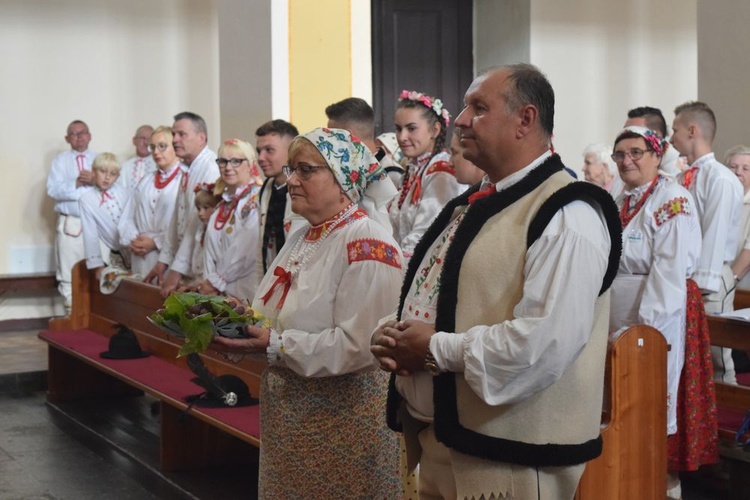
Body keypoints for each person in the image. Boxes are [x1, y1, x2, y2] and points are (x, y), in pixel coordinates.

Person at [371, 64, 621, 500]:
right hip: (445, 439)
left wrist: (432, 348)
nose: (462, 120)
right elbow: (438, 294)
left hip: (511, 458)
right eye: (466, 107)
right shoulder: (474, 202)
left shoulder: (567, 214)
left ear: (525, 119)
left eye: (479, 108)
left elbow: (542, 345)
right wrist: (393, 333)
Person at [212, 128, 403, 498]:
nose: (292, 181)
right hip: (292, 419)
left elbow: (361, 347)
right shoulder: (304, 236)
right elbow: (277, 315)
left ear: (342, 177)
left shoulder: (369, 244)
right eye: (290, 171)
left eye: (305, 170)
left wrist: (275, 346)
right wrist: (242, 321)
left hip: (343, 425)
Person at [608, 126, 716, 499]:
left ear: (656, 155)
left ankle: (661, 486)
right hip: (618, 316)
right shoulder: (617, 197)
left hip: (660, 315)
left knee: (654, 399)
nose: (627, 161)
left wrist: (644, 334)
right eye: (619, 154)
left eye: (636, 152)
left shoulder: (673, 200)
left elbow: (668, 272)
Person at [671, 100, 744, 384]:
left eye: (675, 129)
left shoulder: (721, 179)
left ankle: (725, 416)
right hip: (686, 276)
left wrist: (700, 285)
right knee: (690, 352)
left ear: (692, 130)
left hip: (709, 277)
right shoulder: (681, 177)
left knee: (715, 351)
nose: (671, 137)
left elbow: (714, 234)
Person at [146, 112, 219, 295]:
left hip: (202, 263)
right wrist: (163, 261)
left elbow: (196, 223)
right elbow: (176, 219)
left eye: (181, 134)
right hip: (187, 262)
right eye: (173, 134)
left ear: (201, 138)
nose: (175, 139)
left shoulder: (210, 168)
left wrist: (176, 271)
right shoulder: (188, 168)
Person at [389, 89, 464, 262]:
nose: (402, 137)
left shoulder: (441, 171)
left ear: (435, 130)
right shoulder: (412, 170)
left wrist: (394, 264)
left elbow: (427, 233)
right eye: (398, 129)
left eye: (411, 128)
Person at [196, 139, 263, 301]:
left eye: (236, 161)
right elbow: (210, 249)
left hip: (243, 291)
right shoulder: (223, 203)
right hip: (217, 291)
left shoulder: (257, 199)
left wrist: (216, 281)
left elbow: (246, 250)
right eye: (223, 161)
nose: (228, 167)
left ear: (250, 164)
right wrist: (209, 282)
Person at [46, 120, 97, 311]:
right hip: (70, 222)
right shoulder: (60, 160)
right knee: (68, 270)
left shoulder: (100, 159)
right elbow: (52, 189)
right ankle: (71, 313)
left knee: (97, 269)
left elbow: (112, 188)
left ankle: (96, 313)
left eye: (83, 132)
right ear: (67, 139)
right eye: (74, 134)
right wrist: (76, 185)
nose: (79, 137)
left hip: (96, 224)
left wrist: (94, 180)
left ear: (90, 135)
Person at [118, 126, 182, 277]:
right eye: (152, 147)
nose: (156, 152)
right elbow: (128, 217)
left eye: (162, 146)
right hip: (140, 254)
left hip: (168, 255)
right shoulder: (146, 180)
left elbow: (185, 223)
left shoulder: (184, 179)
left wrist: (155, 242)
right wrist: (134, 240)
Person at [255, 120, 305, 277]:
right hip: (272, 279)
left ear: (291, 150)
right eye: (259, 151)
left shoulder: (306, 190)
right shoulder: (265, 189)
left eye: (269, 150)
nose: (261, 157)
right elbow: (261, 248)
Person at [326, 97, 405, 188]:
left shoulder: (391, 175)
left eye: (332, 136)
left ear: (348, 136)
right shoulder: (345, 170)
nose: (329, 142)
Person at [79, 152, 129, 279]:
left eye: (112, 174)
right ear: (93, 171)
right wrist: (97, 265)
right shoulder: (86, 199)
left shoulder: (126, 193)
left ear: (118, 177)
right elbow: (90, 234)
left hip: (137, 250)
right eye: (103, 171)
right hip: (116, 255)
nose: (107, 177)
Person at [178, 183, 221, 290]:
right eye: (198, 208)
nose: (201, 213)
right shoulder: (200, 231)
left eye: (206, 208)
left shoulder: (218, 234)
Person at [625, 106, 682, 176]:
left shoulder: (678, 178)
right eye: (625, 132)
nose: (624, 138)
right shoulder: (623, 169)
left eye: (634, 133)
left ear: (656, 137)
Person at [727, 146, 750, 289]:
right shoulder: (719, 198)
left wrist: (728, 282)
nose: (738, 173)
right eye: (733, 167)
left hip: (741, 281)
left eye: (745, 169)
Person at [118, 125, 155, 190]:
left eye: (149, 139)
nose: (146, 142)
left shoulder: (157, 165)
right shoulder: (125, 166)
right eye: (142, 138)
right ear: (134, 141)